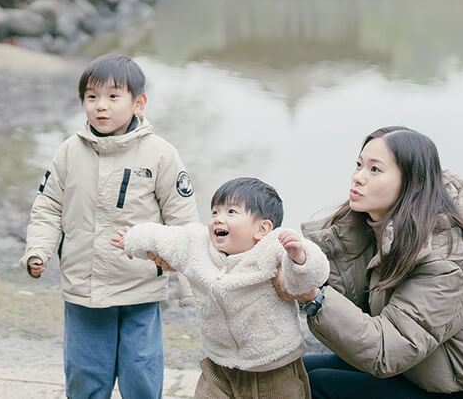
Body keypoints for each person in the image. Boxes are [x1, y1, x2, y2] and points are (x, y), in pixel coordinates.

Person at [275, 126, 463, 399]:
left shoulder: (443, 260)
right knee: (290, 372)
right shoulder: (370, 227)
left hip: (462, 390)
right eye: (359, 165)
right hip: (416, 369)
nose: (358, 177)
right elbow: (346, 300)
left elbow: (385, 352)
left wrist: (314, 298)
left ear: (411, 182)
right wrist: (297, 267)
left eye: (375, 170)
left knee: (320, 385)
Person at [21, 54, 199, 399]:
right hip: (83, 290)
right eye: (92, 97)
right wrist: (38, 250)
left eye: (113, 97)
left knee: (141, 376)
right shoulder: (68, 153)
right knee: (85, 376)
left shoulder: (161, 155)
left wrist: (189, 286)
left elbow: (183, 223)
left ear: (139, 103)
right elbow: (47, 208)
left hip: (140, 290)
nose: (101, 106)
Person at [112, 177, 330, 399]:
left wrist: (299, 257)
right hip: (218, 364)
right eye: (215, 212)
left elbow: (310, 278)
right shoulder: (198, 245)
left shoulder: (274, 248)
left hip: (273, 366)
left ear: (262, 228)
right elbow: (165, 237)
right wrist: (132, 239)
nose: (218, 219)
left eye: (231, 212)